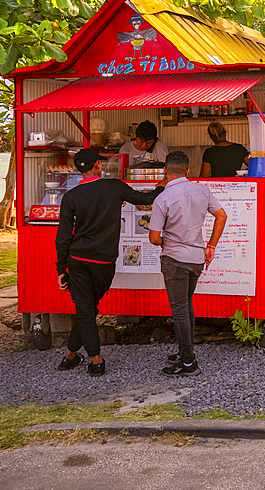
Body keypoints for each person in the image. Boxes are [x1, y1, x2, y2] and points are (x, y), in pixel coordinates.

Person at [55, 148, 167, 375]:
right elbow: (145, 200)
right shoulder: (114, 188)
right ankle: (93, 358)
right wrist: (162, 184)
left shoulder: (71, 197)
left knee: (86, 309)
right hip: (104, 262)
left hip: (77, 259)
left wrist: (61, 269)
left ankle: (72, 355)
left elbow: (63, 238)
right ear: (97, 165)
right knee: (86, 309)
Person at [148, 151, 227, 376]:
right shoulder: (202, 189)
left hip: (174, 259)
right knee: (186, 304)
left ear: (165, 171)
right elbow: (221, 216)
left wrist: (166, 241)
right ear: (188, 170)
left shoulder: (162, 198)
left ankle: (188, 363)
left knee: (179, 309)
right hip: (196, 258)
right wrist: (211, 245)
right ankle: (186, 351)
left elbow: (154, 238)